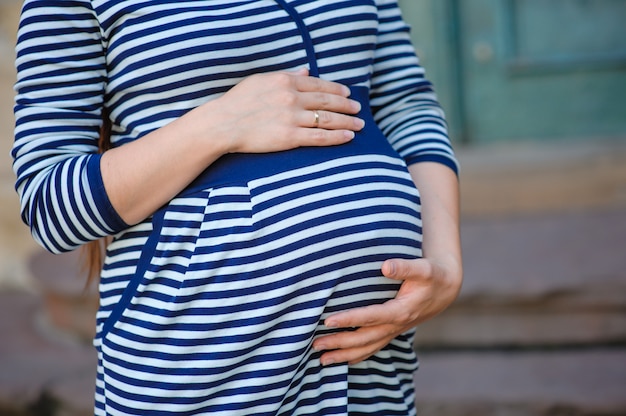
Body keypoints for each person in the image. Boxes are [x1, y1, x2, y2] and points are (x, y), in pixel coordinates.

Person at [12, 0, 462, 414]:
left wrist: (444, 258)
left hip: (369, 356)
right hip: (202, 364)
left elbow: (405, 103)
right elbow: (49, 205)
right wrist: (219, 124)